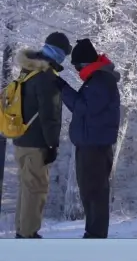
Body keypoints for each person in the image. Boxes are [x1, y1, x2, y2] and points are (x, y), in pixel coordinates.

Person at [56, 38, 121, 238]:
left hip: (94, 146)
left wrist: (61, 86)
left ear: (85, 64)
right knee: (91, 190)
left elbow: (83, 107)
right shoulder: (98, 79)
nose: (76, 71)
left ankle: (95, 234)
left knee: (94, 192)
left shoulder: (101, 80)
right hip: (91, 144)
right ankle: (93, 232)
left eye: (77, 66)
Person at [12, 32, 72, 238]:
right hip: (37, 143)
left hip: (21, 140)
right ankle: (27, 235)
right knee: (36, 190)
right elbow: (50, 115)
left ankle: (22, 231)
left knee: (26, 189)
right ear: (58, 53)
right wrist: (52, 145)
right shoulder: (47, 78)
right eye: (64, 54)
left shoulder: (27, 71)